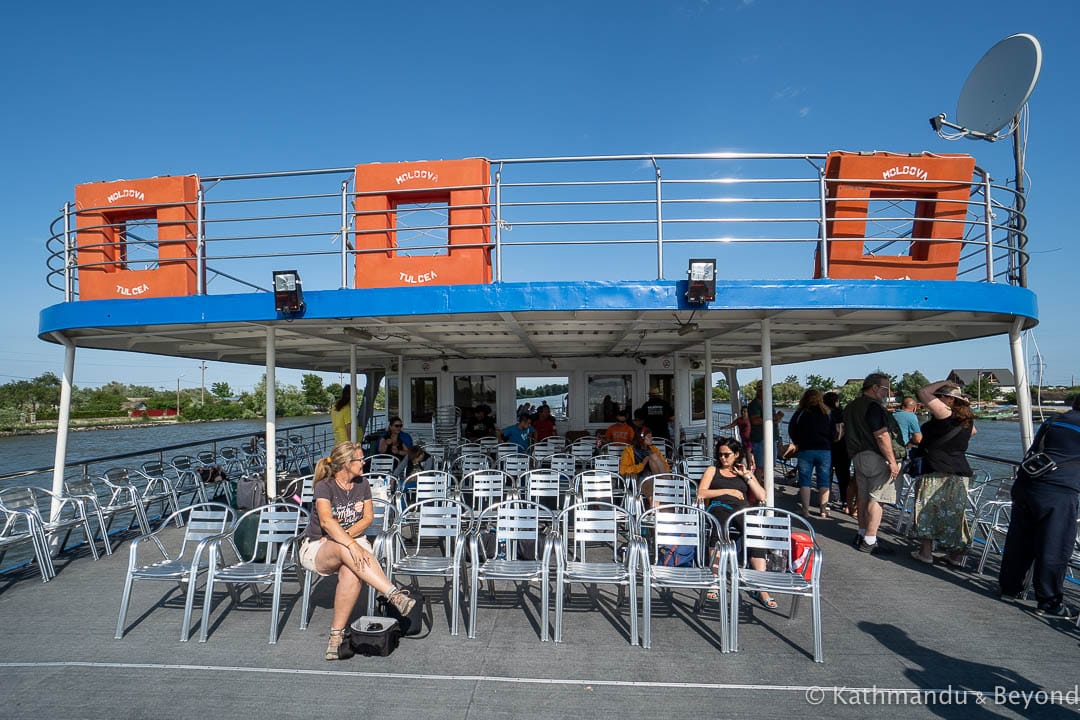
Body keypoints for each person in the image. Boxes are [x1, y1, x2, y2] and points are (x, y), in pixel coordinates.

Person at [297, 441, 416, 660]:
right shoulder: (325, 486)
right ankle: (393, 594)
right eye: (360, 460)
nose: (364, 463)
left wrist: (348, 537)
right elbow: (326, 522)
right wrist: (350, 544)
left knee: (351, 572)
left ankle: (335, 638)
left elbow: (368, 518)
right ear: (345, 464)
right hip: (319, 546)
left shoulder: (362, 484)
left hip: (349, 542)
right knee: (347, 550)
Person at [999, 394, 1080, 619]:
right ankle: (1049, 602)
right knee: (1054, 547)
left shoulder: (1052, 421)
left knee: (1019, 540)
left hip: (1027, 484)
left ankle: (1010, 588)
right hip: (1058, 492)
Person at [696, 437, 773, 608]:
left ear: (736, 454)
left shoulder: (743, 471)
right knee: (719, 527)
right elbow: (701, 493)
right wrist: (727, 490)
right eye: (720, 455)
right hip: (719, 506)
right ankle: (715, 579)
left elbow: (762, 496)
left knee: (755, 532)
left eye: (727, 455)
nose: (723, 458)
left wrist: (747, 476)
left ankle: (761, 587)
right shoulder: (712, 470)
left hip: (741, 508)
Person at [910, 381, 976, 566]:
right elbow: (974, 432)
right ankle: (956, 555)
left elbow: (922, 391)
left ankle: (926, 553)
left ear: (950, 400)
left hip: (936, 470)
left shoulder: (945, 415)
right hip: (959, 472)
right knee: (955, 514)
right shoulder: (966, 421)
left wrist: (945, 382)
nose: (937, 399)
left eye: (941, 396)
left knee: (927, 511)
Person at [843, 372, 903, 554]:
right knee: (877, 497)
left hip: (858, 456)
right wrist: (892, 461)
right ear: (875, 388)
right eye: (886, 389)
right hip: (876, 457)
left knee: (863, 496)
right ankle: (870, 540)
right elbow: (882, 435)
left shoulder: (851, 406)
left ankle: (861, 533)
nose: (888, 393)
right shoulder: (874, 407)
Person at [788, 389, 835, 519]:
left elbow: (792, 428)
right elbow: (833, 432)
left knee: (805, 480)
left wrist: (797, 442)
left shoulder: (800, 413)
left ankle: (805, 510)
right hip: (824, 450)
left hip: (805, 450)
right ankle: (823, 510)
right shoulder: (827, 413)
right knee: (824, 480)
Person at [620, 426, 670, 509]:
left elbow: (665, 465)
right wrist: (642, 464)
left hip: (657, 476)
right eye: (649, 437)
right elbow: (623, 470)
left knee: (653, 456)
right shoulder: (629, 450)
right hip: (641, 477)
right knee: (653, 493)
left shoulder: (653, 449)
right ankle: (655, 513)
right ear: (641, 438)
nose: (651, 439)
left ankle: (668, 484)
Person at [824, 392, 854, 516]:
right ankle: (845, 501)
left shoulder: (823, 414)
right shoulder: (844, 414)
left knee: (827, 475)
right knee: (844, 476)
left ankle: (827, 499)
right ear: (837, 402)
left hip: (827, 447)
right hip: (843, 448)